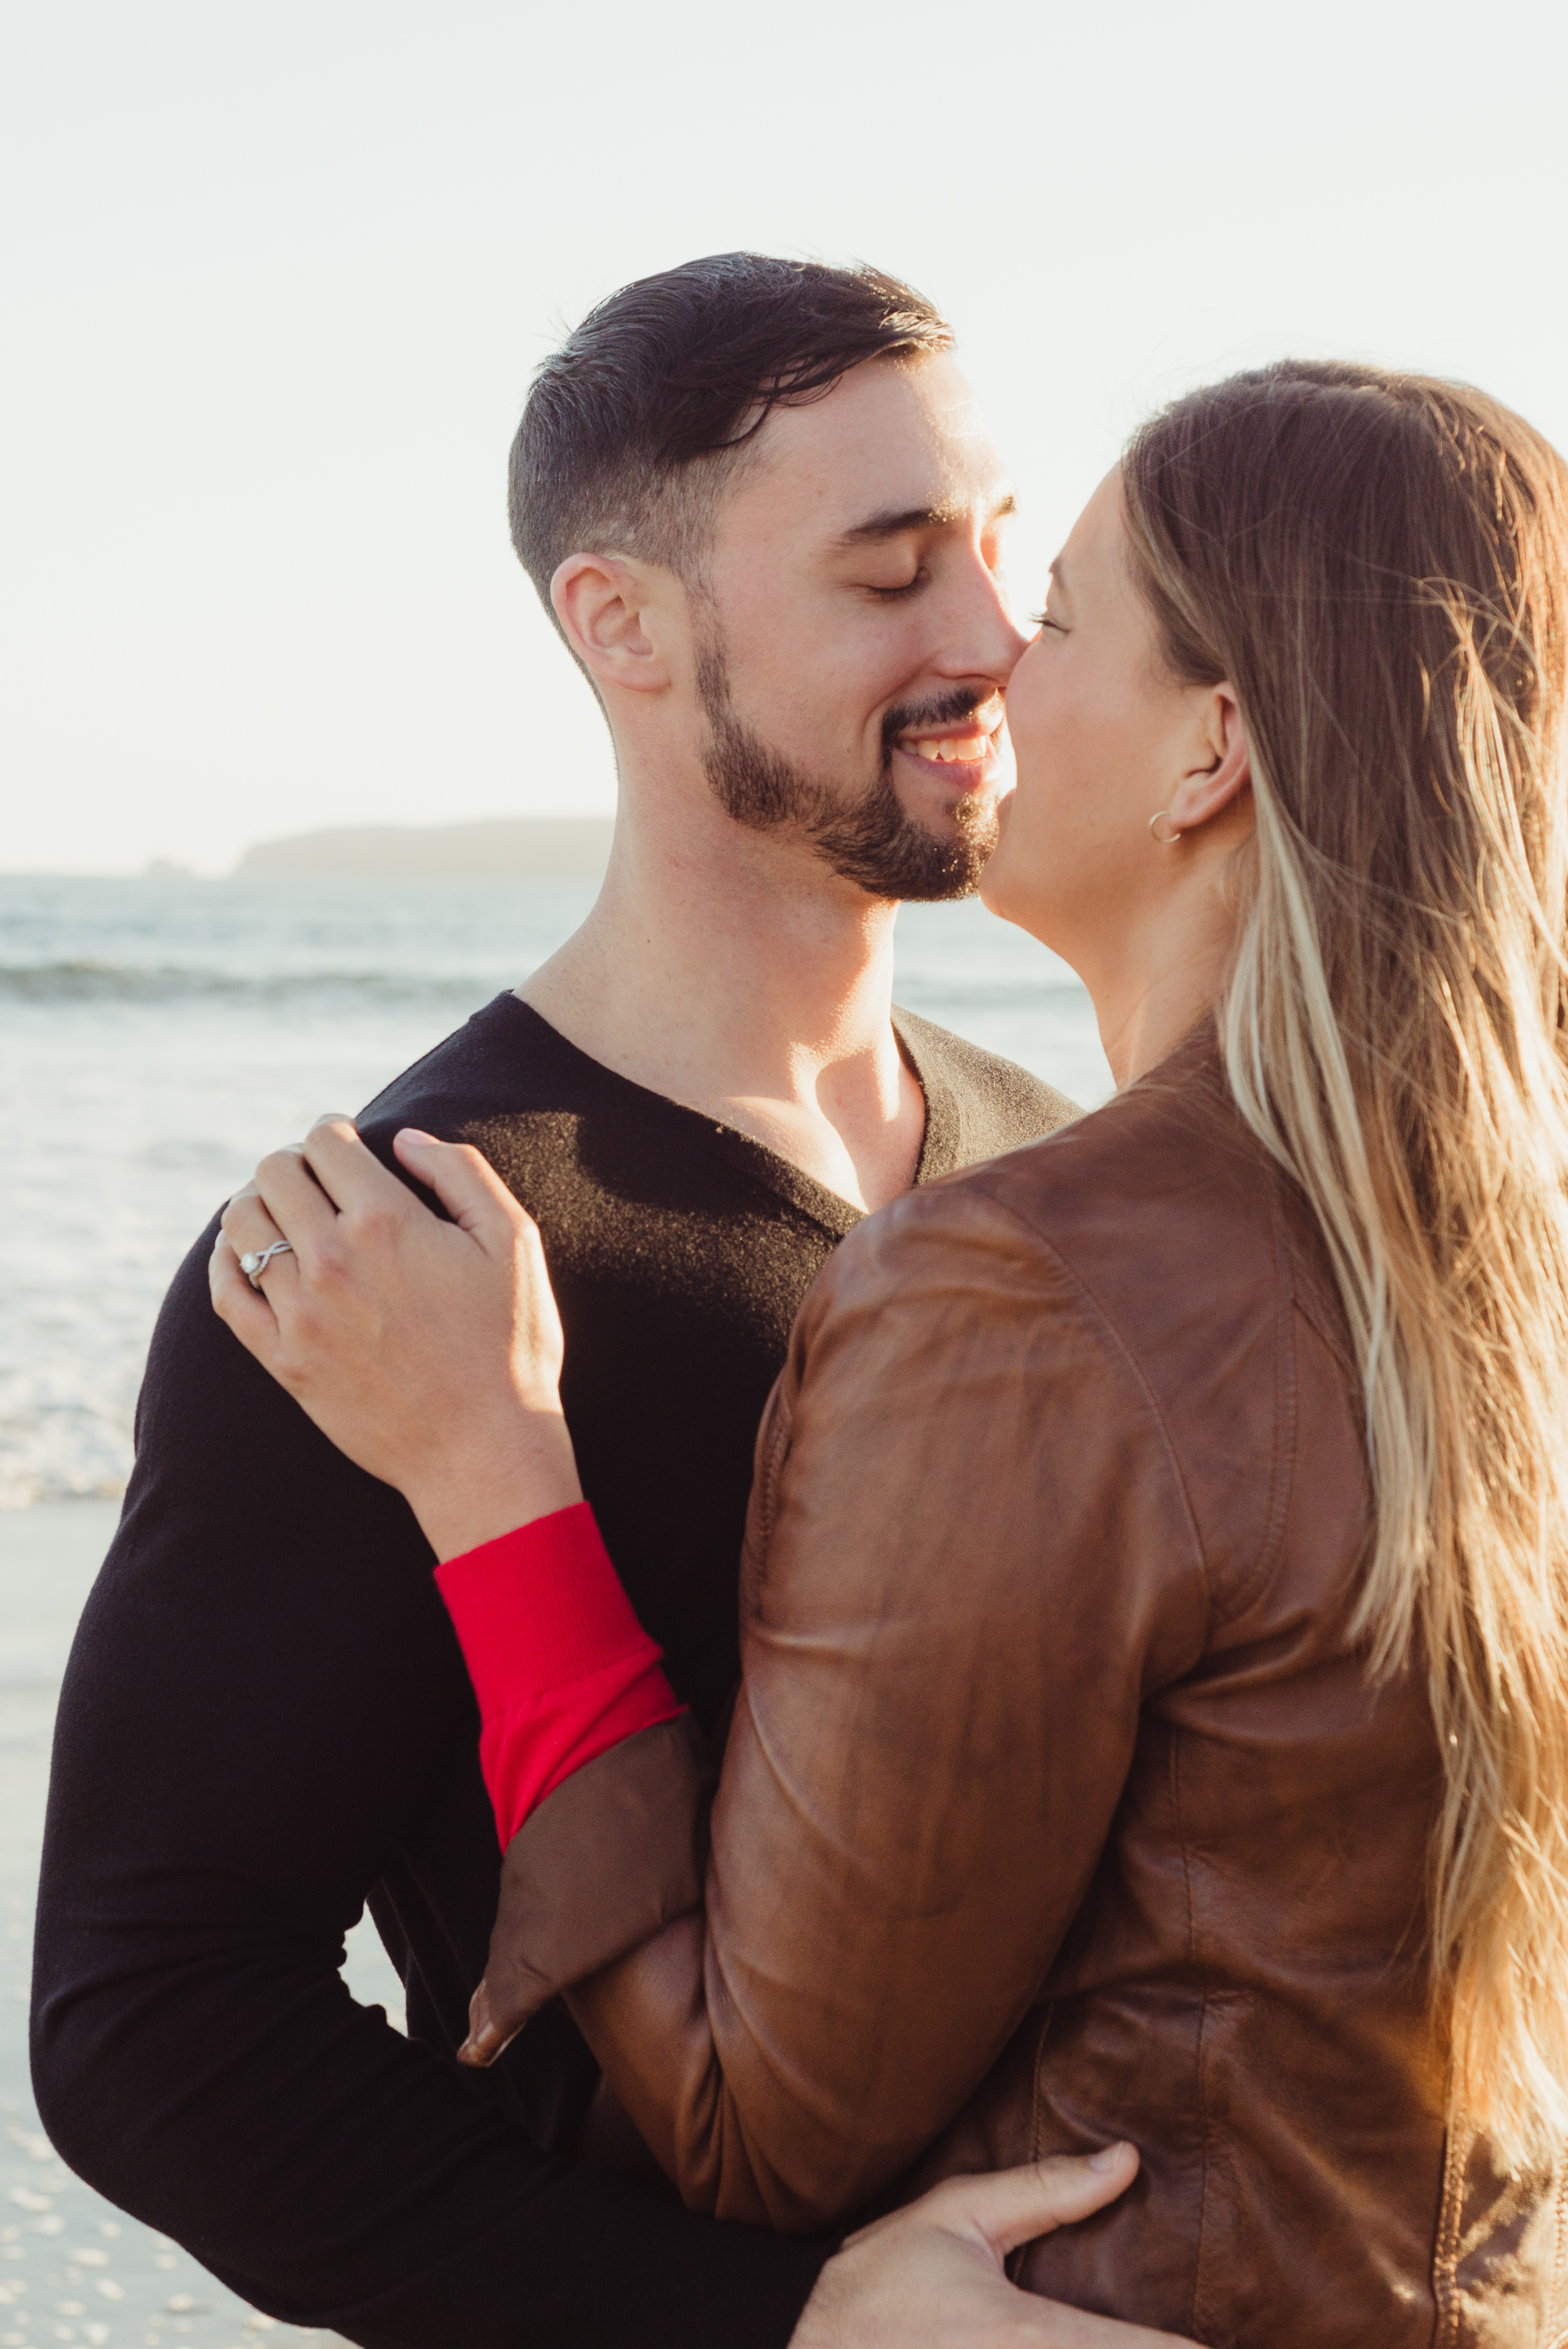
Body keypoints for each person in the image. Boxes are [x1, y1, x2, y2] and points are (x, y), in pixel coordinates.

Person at [215, 359, 1568, 2343]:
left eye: (1065, 610)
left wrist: (497, 1482)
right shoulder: (1489, 1258)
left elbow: (754, 2132)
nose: (996, 656)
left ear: (1212, 749)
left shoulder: (1024, 1287)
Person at [30, 255, 1194, 2349]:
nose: (990, 639)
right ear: (624, 626)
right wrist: (775, 2323)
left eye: (1002, 551)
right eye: (886, 572)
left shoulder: (1062, 1161)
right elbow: (153, 2017)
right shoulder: (405, 1256)